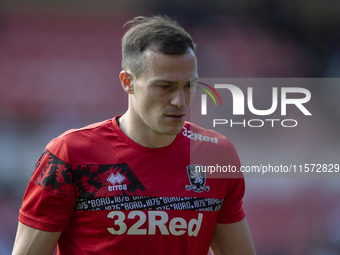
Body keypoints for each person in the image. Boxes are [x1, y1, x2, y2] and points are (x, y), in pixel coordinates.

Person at [12, 15, 256, 255]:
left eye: (189, 86)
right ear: (127, 81)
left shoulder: (216, 154)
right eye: (164, 87)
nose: (179, 101)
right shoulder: (69, 155)